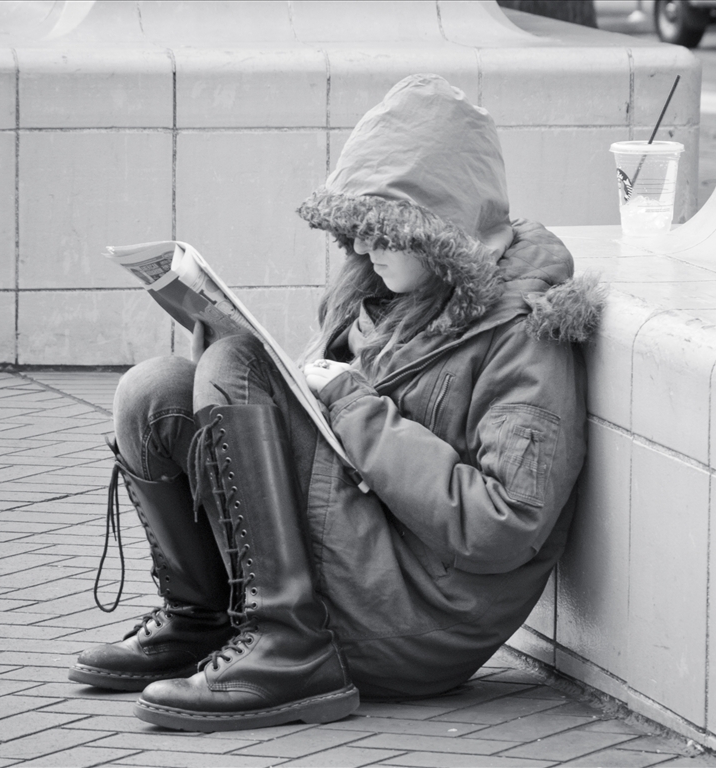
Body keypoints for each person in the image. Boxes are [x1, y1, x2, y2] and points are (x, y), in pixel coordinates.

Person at [68, 74, 604, 732]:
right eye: (356, 230)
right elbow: (301, 417)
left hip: (417, 615)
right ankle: (201, 618)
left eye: (383, 232)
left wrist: (349, 403)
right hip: (357, 565)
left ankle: (286, 648)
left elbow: (505, 525)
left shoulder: (525, 331)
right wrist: (217, 333)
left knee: (237, 368)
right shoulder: (379, 292)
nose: (364, 249)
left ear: (440, 232)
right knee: (156, 391)